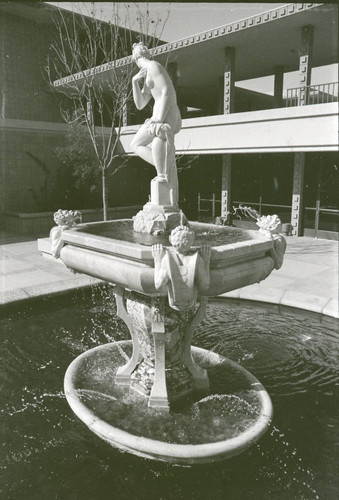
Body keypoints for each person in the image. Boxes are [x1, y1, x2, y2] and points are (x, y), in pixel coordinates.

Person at [130, 42, 181, 206]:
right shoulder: (147, 74)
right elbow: (140, 104)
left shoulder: (154, 66)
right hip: (159, 115)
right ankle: (164, 168)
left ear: (136, 58)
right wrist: (134, 82)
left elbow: (168, 91)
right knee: (136, 144)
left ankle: (162, 172)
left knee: (150, 139)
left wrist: (158, 119)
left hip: (166, 115)